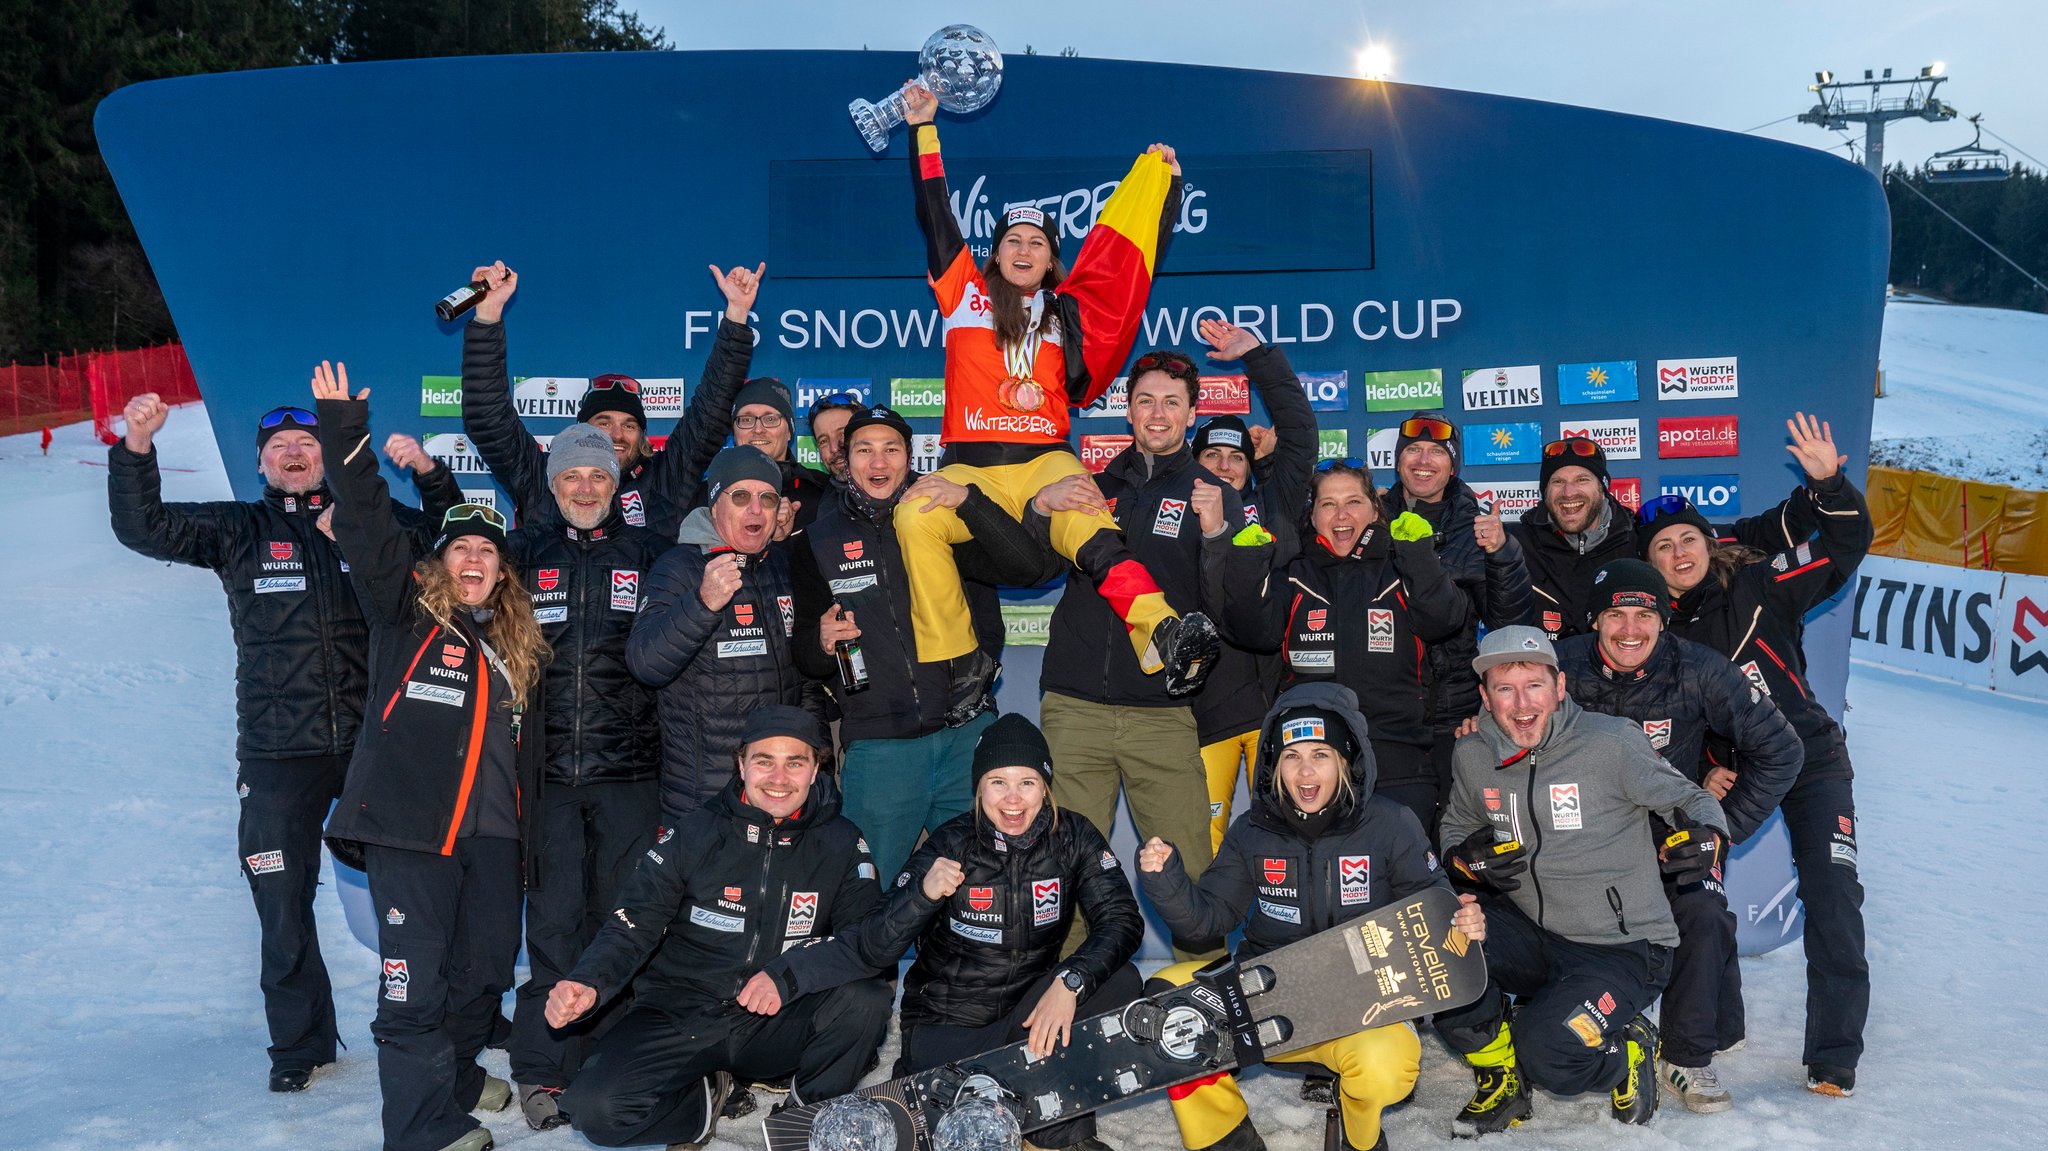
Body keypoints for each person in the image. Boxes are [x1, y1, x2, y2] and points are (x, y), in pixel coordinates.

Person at [107, 389, 457, 1093]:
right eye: (279, 449)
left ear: (327, 456)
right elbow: (142, 527)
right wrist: (137, 448)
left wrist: (425, 473)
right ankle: (300, 1045)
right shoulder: (237, 529)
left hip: (371, 745)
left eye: (306, 444)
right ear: (262, 464)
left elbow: (460, 540)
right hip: (276, 752)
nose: (295, 454)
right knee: (281, 901)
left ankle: (431, 1026)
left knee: (412, 896)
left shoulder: (370, 520)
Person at [892, 83, 1220, 714]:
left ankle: (1164, 631)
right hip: (970, 465)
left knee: (1088, 518)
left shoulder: (1067, 314)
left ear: (1050, 262)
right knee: (915, 517)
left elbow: (1130, 274)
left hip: (1045, 456)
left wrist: (1165, 189)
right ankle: (961, 660)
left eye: (1036, 244)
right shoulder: (961, 290)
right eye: (1012, 241)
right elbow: (934, 209)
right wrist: (923, 130)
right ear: (994, 253)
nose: (1022, 250)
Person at [310, 362, 552, 1151]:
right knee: (414, 987)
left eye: (489, 549)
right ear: (437, 562)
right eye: (460, 549)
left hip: (492, 840)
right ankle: (419, 1127)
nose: (475, 559)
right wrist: (345, 430)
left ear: (503, 568)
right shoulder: (404, 615)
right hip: (412, 831)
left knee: (481, 975)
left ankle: (449, 1075)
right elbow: (369, 523)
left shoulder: (517, 645)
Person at [416, 422, 669, 1130]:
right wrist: (428, 481)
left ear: (616, 484)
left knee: (620, 921)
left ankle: (614, 1058)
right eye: (570, 477)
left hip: (631, 772)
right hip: (548, 774)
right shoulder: (524, 555)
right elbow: (450, 565)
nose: (585, 488)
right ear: (551, 487)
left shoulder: (651, 553)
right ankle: (542, 1068)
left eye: (597, 477)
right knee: (555, 923)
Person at [1137, 684, 1487, 1151]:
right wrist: (1167, 878)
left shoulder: (1391, 822)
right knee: (1168, 1005)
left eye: (1321, 754)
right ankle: (1227, 1140)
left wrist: (1465, 926)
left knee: (1387, 1070)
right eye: (1291, 756)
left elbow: (1436, 909)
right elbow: (1205, 922)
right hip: (1267, 999)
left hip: (1362, 1007)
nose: (1305, 770)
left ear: (1346, 761)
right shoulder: (1252, 829)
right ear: (1273, 765)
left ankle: (1359, 1139)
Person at [777, 713, 1147, 1151]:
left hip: (1026, 1017)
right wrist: (922, 894)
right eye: (998, 782)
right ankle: (1026, 1109)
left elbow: (1123, 919)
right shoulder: (950, 844)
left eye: (1027, 783)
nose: (1013, 799)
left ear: (1045, 786)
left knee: (1121, 981)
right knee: (963, 1110)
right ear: (978, 787)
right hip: (948, 1025)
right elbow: (875, 944)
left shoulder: (1074, 836)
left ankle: (1037, 1114)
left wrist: (1070, 982)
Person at [1640, 411, 1873, 1099]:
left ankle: (1834, 1056)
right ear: (1650, 568)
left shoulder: (1760, 584)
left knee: (1834, 895)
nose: (1680, 551)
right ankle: (1722, 1024)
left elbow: (1847, 542)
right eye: (1663, 547)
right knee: (1700, 885)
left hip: (1813, 762)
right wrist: (1704, 766)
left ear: (1709, 545)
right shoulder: (1652, 635)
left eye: (1689, 538)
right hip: (1732, 775)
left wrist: (1829, 483)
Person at [545, 705, 892, 1149]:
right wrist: (589, 981)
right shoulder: (693, 832)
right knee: (596, 1112)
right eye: (764, 760)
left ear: (815, 770)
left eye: (795, 762)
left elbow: (862, 942)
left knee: (865, 999)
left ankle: (806, 1115)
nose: (779, 778)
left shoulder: (843, 842)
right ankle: (702, 1102)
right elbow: (633, 923)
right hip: (682, 1009)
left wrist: (788, 975)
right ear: (741, 764)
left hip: (777, 1017)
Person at [1432, 626, 1727, 1135]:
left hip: (1624, 947)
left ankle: (1626, 1052)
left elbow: (1691, 799)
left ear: (1560, 686)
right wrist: (1461, 858)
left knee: (1550, 1054)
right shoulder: (1474, 755)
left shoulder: (1611, 742)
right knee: (1436, 952)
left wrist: (1707, 836)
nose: (1522, 704)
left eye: (1534, 686)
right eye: (1505, 688)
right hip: (1531, 931)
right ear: (1485, 696)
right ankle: (1500, 1078)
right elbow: (1456, 824)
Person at [1033, 350, 1272, 954]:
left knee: (1187, 873)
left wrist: (1218, 533)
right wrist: (1039, 510)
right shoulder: (1092, 486)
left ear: (1192, 413)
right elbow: (1030, 564)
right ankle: (1070, 1002)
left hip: (1163, 716)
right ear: (1128, 409)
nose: (1157, 413)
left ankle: (1201, 1015)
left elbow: (1232, 613)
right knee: (1064, 872)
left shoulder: (1216, 493)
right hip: (1074, 706)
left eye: (1172, 402)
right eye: (1145, 400)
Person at [1555, 558, 1804, 1113]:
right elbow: (1505, 717)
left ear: (1663, 622)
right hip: (1576, 836)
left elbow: (1782, 749)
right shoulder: (1559, 665)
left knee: (1704, 909)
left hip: (1666, 833)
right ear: (1595, 621)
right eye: (1615, 614)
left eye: (1642, 615)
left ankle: (1687, 1058)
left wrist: (1720, 829)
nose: (1628, 629)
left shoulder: (1701, 669)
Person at [791, 404, 1060, 880]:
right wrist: (822, 641)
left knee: (988, 888)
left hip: (965, 735)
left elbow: (1026, 569)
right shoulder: (815, 540)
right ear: (843, 459)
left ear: (911, 455)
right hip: (880, 749)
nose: (878, 463)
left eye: (891, 449)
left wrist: (970, 502)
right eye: (864, 450)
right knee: (868, 897)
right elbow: (806, 658)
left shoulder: (942, 512)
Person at [457, 261, 760, 537]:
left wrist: (736, 313)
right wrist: (488, 315)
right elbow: (489, 419)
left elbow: (712, 409)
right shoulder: (540, 477)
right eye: (603, 422)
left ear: (642, 435)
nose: (617, 434)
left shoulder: (667, 478)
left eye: (629, 425)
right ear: (580, 430)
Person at [1253, 458, 1466, 833]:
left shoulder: (1402, 567)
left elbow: (1443, 620)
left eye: (1353, 502)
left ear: (1374, 510)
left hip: (1399, 759)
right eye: (1328, 504)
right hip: (1314, 766)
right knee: (1322, 885)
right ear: (1313, 515)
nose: (1341, 515)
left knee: (1407, 884)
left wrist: (1418, 555)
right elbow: (1252, 630)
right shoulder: (1293, 576)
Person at [1187, 317, 1318, 852]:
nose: (1224, 466)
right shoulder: (1174, 515)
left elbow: (1301, 429)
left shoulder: (1277, 506)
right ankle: (1208, 940)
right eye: (1211, 456)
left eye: (1236, 457)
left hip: (1275, 708)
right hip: (1206, 711)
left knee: (1291, 837)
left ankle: (1290, 939)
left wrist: (1259, 356)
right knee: (1204, 842)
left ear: (1251, 465)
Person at [628, 444, 804, 817]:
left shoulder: (780, 569)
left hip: (779, 788)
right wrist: (702, 603)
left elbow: (799, 679)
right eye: (740, 496)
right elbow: (644, 664)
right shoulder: (680, 567)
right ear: (714, 505)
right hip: (704, 796)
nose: (756, 509)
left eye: (768, 498)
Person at [1379, 414, 1532, 825]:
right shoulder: (1371, 518)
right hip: (1386, 711)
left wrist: (1502, 555)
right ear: (1397, 461)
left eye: (1436, 452)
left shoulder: (1478, 527)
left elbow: (1508, 626)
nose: (1423, 460)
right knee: (1392, 838)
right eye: (1412, 449)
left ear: (1453, 464)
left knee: (1459, 834)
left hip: (1456, 715)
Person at [1510, 437, 1635, 640]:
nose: (1568, 492)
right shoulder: (1516, 545)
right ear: (1545, 492)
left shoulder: (1638, 541)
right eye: (1558, 482)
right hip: (1546, 670)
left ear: (1602, 489)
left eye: (1582, 480)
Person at [731, 375, 833, 532]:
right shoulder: (711, 495)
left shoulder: (824, 491)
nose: (758, 429)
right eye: (746, 420)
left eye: (770, 419)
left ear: (789, 432)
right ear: (734, 432)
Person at [807, 389, 864, 483]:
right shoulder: (817, 495)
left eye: (843, 434)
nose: (833, 448)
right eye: (823, 441)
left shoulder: (894, 493)